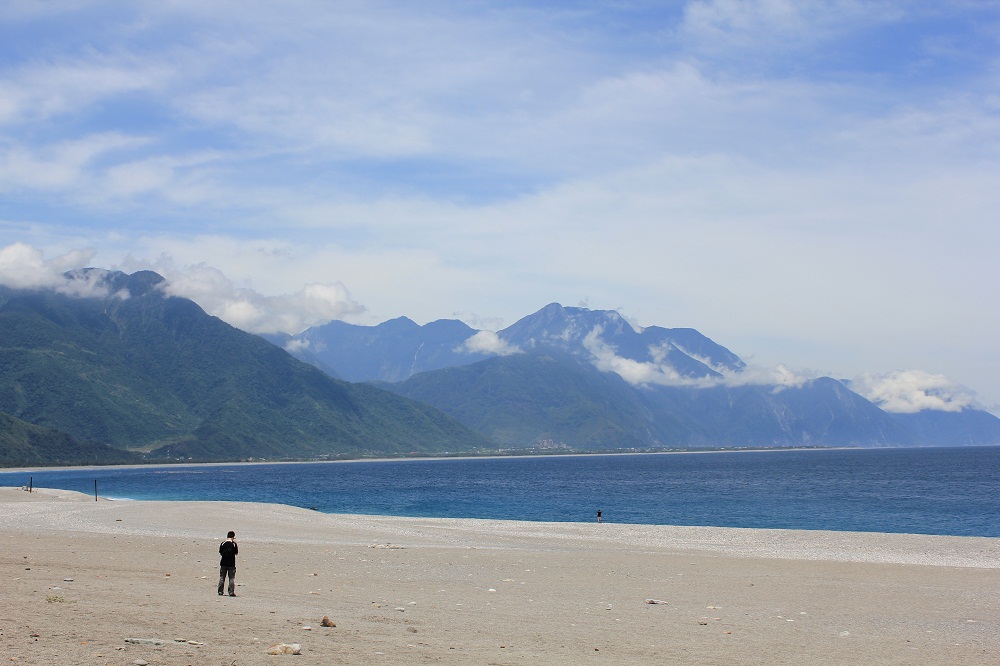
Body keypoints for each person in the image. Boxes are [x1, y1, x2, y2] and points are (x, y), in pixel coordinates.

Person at [218, 531, 238, 596]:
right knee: (231, 578)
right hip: (231, 564)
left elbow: (220, 552)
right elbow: (236, 553)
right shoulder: (234, 544)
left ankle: (220, 591)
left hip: (223, 563)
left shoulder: (223, 543)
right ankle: (231, 592)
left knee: (222, 577)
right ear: (233, 537)